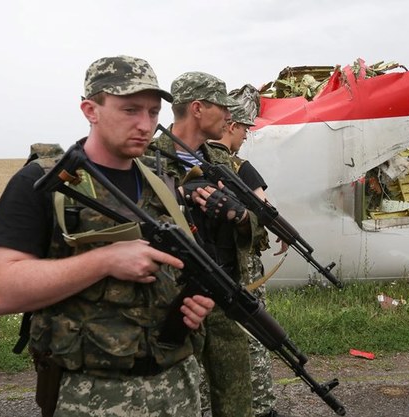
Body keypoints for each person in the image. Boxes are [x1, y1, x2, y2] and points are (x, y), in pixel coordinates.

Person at [0, 55, 215, 417]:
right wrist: (104, 260)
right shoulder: (43, 183)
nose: (145, 124)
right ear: (91, 109)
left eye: (152, 112)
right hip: (88, 395)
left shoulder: (163, 181)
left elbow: (178, 269)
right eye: (130, 109)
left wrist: (192, 305)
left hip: (177, 387)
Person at [150, 71, 265, 417]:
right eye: (223, 108)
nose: (230, 117)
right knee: (178, 401)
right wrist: (180, 200)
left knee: (236, 400)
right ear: (198, 109)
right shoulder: (149, 161)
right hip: (178, 305)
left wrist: (241, 216)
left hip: (226, 296)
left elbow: (258, 231)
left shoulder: (223, 163)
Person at [206, 96, 291, 417]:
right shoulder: (236, 165)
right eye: (244, 130)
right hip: (239, 269)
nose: (246, 136)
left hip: (211, 266)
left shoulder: (196, 160)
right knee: (253, 336)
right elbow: (265, 208)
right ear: (232, 126)